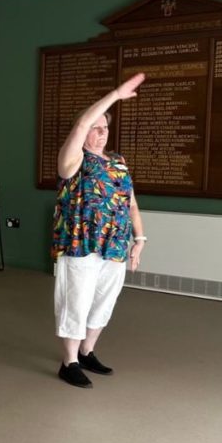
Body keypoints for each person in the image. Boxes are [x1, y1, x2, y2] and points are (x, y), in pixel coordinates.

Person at [53, 73, 147, 388]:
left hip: (115, 246)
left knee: (104, 301)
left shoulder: (118, 161)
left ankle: (88, 351)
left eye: (105, 128)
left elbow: (130, 204)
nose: (101, 133)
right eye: (96, 127)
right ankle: (69, 362)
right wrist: (116, 94)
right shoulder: (74, 160)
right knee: (75, 302)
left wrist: (140, 239)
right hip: (81, 243)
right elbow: (80, 127)